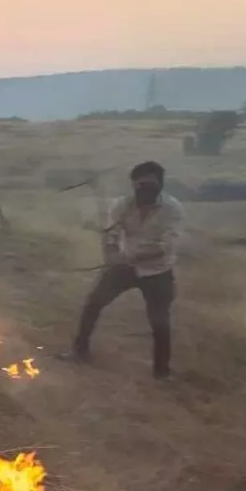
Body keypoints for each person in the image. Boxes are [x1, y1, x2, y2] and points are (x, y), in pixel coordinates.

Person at [64, 160, 184, 379]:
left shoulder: (172, 209)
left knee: (159, 321)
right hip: (124, 268)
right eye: (140, 185)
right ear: (133, 185)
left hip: (157, 271)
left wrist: (129, 257)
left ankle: (161, 371)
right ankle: (79, 351)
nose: (145, 191)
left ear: (160, 186)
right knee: (93, 303)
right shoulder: (122, 205)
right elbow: (111, 233)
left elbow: (167, 248)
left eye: (150, 185)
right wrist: (111, 255)